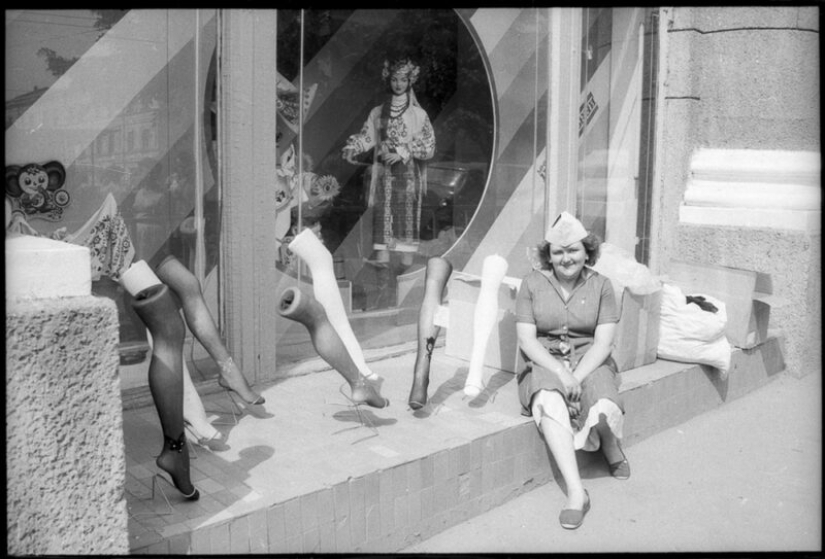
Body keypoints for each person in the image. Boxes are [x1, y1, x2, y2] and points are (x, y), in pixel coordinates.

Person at [515, 211, 629, 530]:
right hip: (544, 361)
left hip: (588, 359)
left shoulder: (602, 285)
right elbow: (526, 340)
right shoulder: (531, 284)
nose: (566, 258)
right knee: (548, 398)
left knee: (603, 396)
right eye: (558, 252)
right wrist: (561, 375)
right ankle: (577, 493)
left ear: (587, 251)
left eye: (573, 250)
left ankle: (609, 444)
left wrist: (575, 377)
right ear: (548, 255)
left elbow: (604, 344)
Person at [342, 56, 436, 268]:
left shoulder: (418, 114)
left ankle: (405, 269)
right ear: (388, 79)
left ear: (410, 81)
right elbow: (368, 137)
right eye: (394, 79)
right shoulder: (377, 112)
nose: (398, 84)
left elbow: (429, 144)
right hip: (384, 173)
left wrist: (403, 152)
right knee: (382, 221)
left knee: (405, 220)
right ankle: (382, 272)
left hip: (407, 174)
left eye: (403, 79)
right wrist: (353, 147)